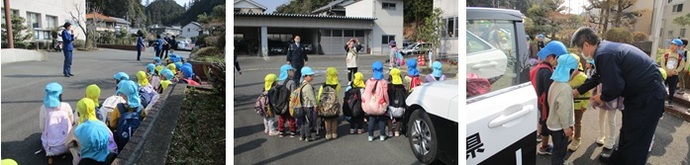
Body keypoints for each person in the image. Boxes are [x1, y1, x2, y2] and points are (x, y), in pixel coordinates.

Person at [571, 27, 666, 165]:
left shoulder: (604, 54)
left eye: (580, 50)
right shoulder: (604, 50)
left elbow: (615, 86)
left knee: (637, 139)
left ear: (586, 44)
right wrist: (578, 91)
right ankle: (618, 159)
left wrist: (602, 97)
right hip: (638, 94)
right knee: (627, 131)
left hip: (648, 96)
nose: (581, 54)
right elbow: (598, 76)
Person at [531, 40, 568, 155]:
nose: (559, 63)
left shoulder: (541, 67)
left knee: (543, 122)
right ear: (552, 57)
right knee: (547, 125)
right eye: (559, 59)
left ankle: (543, 145)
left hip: (539, 102)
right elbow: (550, 93)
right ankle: (546, 147)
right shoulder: (547, 72)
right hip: (545, 105)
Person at [547, 53, 578, 165]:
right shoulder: (565, 88)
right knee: (559, 151)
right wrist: (566, 128)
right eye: (574, 70)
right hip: (560, 128)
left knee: (557, 149)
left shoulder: (555, 83)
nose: (575, 73)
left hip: (552, 123)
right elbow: (563, 111)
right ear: (569, 70)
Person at [70, 98, 118, 164]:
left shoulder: (78, 129)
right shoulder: (102, 125)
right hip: (105, 158)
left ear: (78, 113)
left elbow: (67, 144)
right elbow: (110, 136)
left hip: (86, 159)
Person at [39, 82, 74, 164]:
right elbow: (71, 122)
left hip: (51, 146)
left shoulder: (43, 108)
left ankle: (50, 154)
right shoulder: (66, 106)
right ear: (60, 95)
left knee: (44, 137)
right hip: (67, 143)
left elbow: (42, 127)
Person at [567, 54, 591, 151]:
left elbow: (588, 92)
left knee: (577, 123)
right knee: (569, 122)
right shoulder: (566, 77)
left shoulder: (583, 78)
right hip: (569, 105)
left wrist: (585, 105)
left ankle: (577, 139)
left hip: (578, 106)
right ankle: (571, 135)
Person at [362, 61, 390, 141]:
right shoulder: (384, 82)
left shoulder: (368, 81)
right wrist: (387, 103)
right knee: (382, 120)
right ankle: (382, 135)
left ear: (372, 70)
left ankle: (370, 136)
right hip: (380, 105)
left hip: (370, 105)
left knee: (371, 120)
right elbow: (385, 95)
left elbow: (365, 94)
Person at [317, 67, 342, 140]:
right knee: (334, 120)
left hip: (326, 107)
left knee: (327, 120)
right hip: (334, 106)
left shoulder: (323, 86)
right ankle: (334, 133)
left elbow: (319, 96)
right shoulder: (338, 85)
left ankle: (328, 133)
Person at [662, 39, 685, 106]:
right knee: (662, 87)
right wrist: (665, 71)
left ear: (679, 47)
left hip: (674, 75)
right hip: (665, 74)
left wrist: (675, 71)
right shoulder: (666, 55)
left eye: (675, 45)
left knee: (672, 89)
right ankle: (662, 99)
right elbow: (663, 63)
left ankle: (670, 101)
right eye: (672, 44)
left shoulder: (680, 56)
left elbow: (681, 65)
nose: (672, 46)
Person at [276, 64, 297, 138]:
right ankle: (292, 131)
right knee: (291, 117)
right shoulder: (291, 82)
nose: (293, 72)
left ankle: (281, 131)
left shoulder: (278, 82)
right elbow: (293, 94)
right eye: (291, 71)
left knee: (282, 118)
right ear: (288, 72)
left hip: (281, 103)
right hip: (289, 103)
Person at [298, 66, 317, 142]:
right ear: (305, 76)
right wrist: (316, 105)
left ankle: (302, 135)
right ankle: (308, 136)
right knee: (309, 122)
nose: (312, 77)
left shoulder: (301, 84)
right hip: (308, 106)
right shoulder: (308, 86)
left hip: (302, 106)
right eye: (310, 75)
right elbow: (312, 97)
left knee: (303, 122)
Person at [387, 68, 407, 137]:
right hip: (400, 108)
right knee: (399, 119)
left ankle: (390, 131)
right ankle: (397, 131)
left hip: (390, 108)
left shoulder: (389, 86)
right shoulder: (402, 87)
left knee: (389, 119)